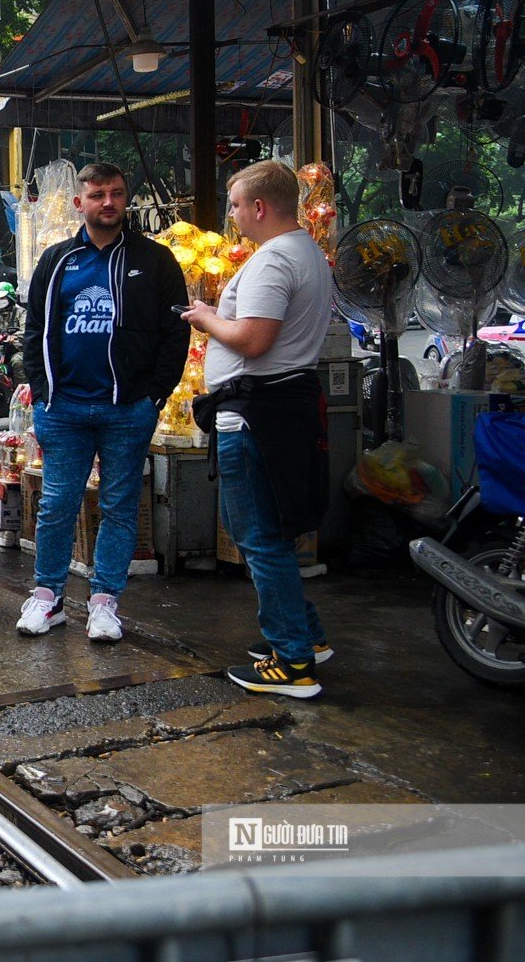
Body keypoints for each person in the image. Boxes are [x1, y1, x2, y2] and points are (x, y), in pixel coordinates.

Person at [16, 164, 189, 643]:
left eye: (116, 193)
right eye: (97, 195)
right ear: (80, 203)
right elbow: (35, 332)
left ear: (125, 199)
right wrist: (44, 391)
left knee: (119, 506)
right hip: (65, 408)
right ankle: (47, 597)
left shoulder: (154, 260)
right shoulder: (55, 261)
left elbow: (176, 332)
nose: (108, 202)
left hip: (128, 408)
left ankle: (105, 602)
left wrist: (155, 394)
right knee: (56, 505)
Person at [184, 161, 336, 698]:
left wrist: (205, 319)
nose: (231, 215)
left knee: (258, 536)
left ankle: (292, 660)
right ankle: (306, 635)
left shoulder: (275, 261)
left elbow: (252, 341)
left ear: (260, 208)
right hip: (275, 408)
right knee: (268, 531)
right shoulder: (305, 252)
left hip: (256, 414)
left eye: (235, 204)